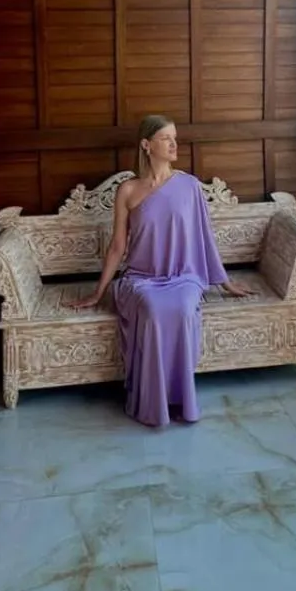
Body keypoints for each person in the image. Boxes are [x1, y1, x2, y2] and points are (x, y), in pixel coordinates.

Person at [69, 115, 249, 426]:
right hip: (141, 280)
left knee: (181, 308)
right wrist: (98, 291)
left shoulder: (189, 186)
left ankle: (180, 400)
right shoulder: (127, 190)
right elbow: (117, 247)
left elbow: (205, 238)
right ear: (146, 144)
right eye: (166, 138)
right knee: (152, 310)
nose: (174, 144)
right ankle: (154, 404)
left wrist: (224, 282)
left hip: (183, 277)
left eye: (174, 137)